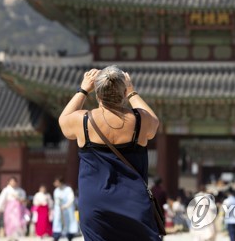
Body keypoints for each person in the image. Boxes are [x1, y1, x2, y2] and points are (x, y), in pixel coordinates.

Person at [58, 66, 161, 240]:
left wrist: (83, 89)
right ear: (123, 93)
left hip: (95, 202)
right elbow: (155, 123)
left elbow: (63, 121)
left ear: (97, 94)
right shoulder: (140, 120)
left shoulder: (82, 120)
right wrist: (132, 92)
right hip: (133, 201)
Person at [0, 177, 26, 241]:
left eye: (14, 181)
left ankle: (17, 237)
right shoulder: (6, 190)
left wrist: (20, 200)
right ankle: (10, 237)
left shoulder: (20, 190)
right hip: (9, 209)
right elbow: (1, 200)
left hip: (18, 209)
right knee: (9, 222)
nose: (13, 183)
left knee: (17, 222)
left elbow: (24, 200)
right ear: (9, 182)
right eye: (11, 181)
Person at [52, 176, 79, 241]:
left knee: (69, 222)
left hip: (68, 209)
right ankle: (56, 236)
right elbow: (56, 201)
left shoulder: (68, 189)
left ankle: (70, 236)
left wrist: (65, 206)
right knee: (57, 222)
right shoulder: (56, 190)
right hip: (59, 210)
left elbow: (71, 199)